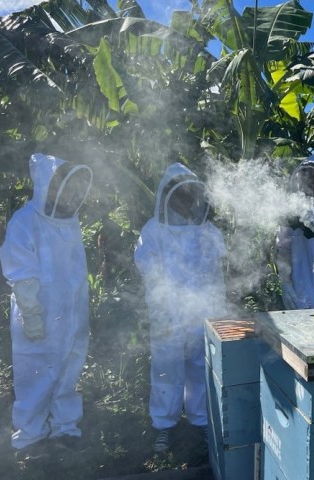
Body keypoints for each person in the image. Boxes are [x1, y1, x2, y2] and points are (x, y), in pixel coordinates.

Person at [0, 153, 93, 460]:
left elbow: (74, 272)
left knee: (68, 373)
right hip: (37, 315)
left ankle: (65, 429)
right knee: (36, 375)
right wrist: (32, 314)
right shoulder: (25, 221)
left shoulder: (69, 221)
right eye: (59, 186)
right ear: (45, 185)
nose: (66, 194)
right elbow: (21, 273)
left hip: (71, 314)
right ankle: (30, 439)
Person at [134, 163, 227, 453]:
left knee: (201, 365)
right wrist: (160, 309)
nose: (186, 201)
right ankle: (164, 424)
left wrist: (219, 308)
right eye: (180, 195)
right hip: (167, 312)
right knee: (166, 369)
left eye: (190, 195)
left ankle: (200, 421)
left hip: (202, 311)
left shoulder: (208, 230)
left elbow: (218, 274)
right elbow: (148, 270)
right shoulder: (154, 231)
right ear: (167, 197)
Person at [275, 155, 314, 309]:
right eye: (303, 173)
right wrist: (285, 282)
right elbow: (283, 249)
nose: (306, 178)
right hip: (299, 288)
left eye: (311, 174)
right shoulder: (290, 212)